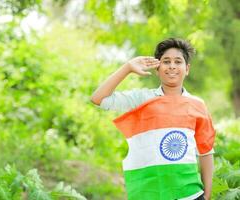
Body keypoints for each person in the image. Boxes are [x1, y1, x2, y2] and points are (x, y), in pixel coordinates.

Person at [90, 38, 215, 200]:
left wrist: (207, 195)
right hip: (149, 194)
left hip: (190, 195)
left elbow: (206, 152)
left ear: (187, 68)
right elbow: (98, 98)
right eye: (166, 61)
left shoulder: (198, 104)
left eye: (178, 61)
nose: (172, 66)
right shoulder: (143, 98)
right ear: (158, 68)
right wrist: (127, 67)